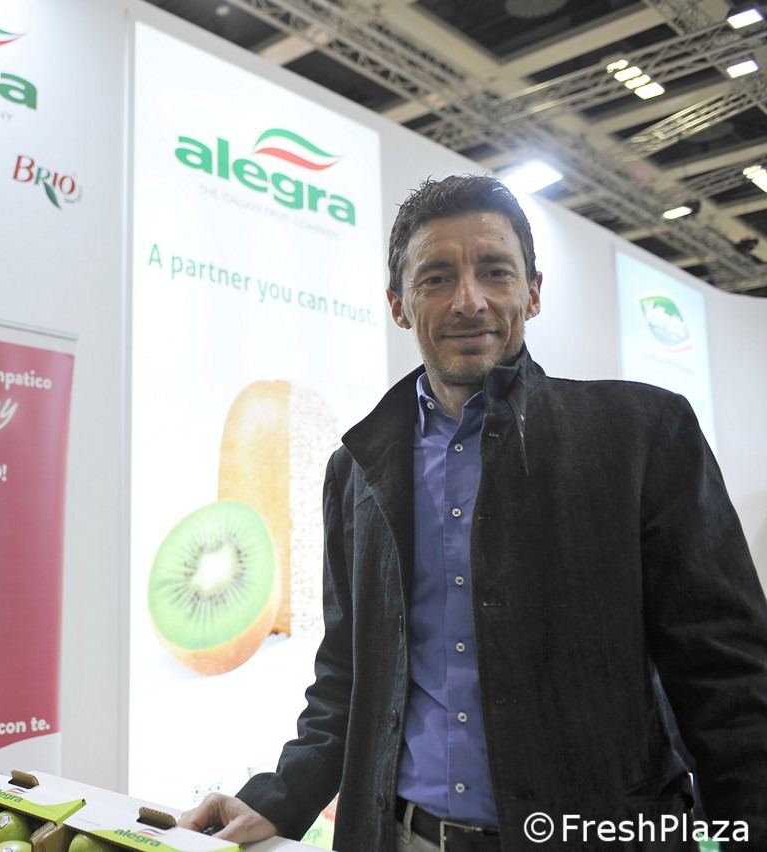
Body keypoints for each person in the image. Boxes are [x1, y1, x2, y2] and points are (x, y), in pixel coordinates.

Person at [177, 174, 767, 851]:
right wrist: (279, 800)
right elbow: (348, 673)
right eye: (436, 278)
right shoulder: (356, 470)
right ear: (399, 305)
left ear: (533, 291)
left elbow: (726, 680)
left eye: (495, 271)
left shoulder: (641, 435)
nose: (469, 300)